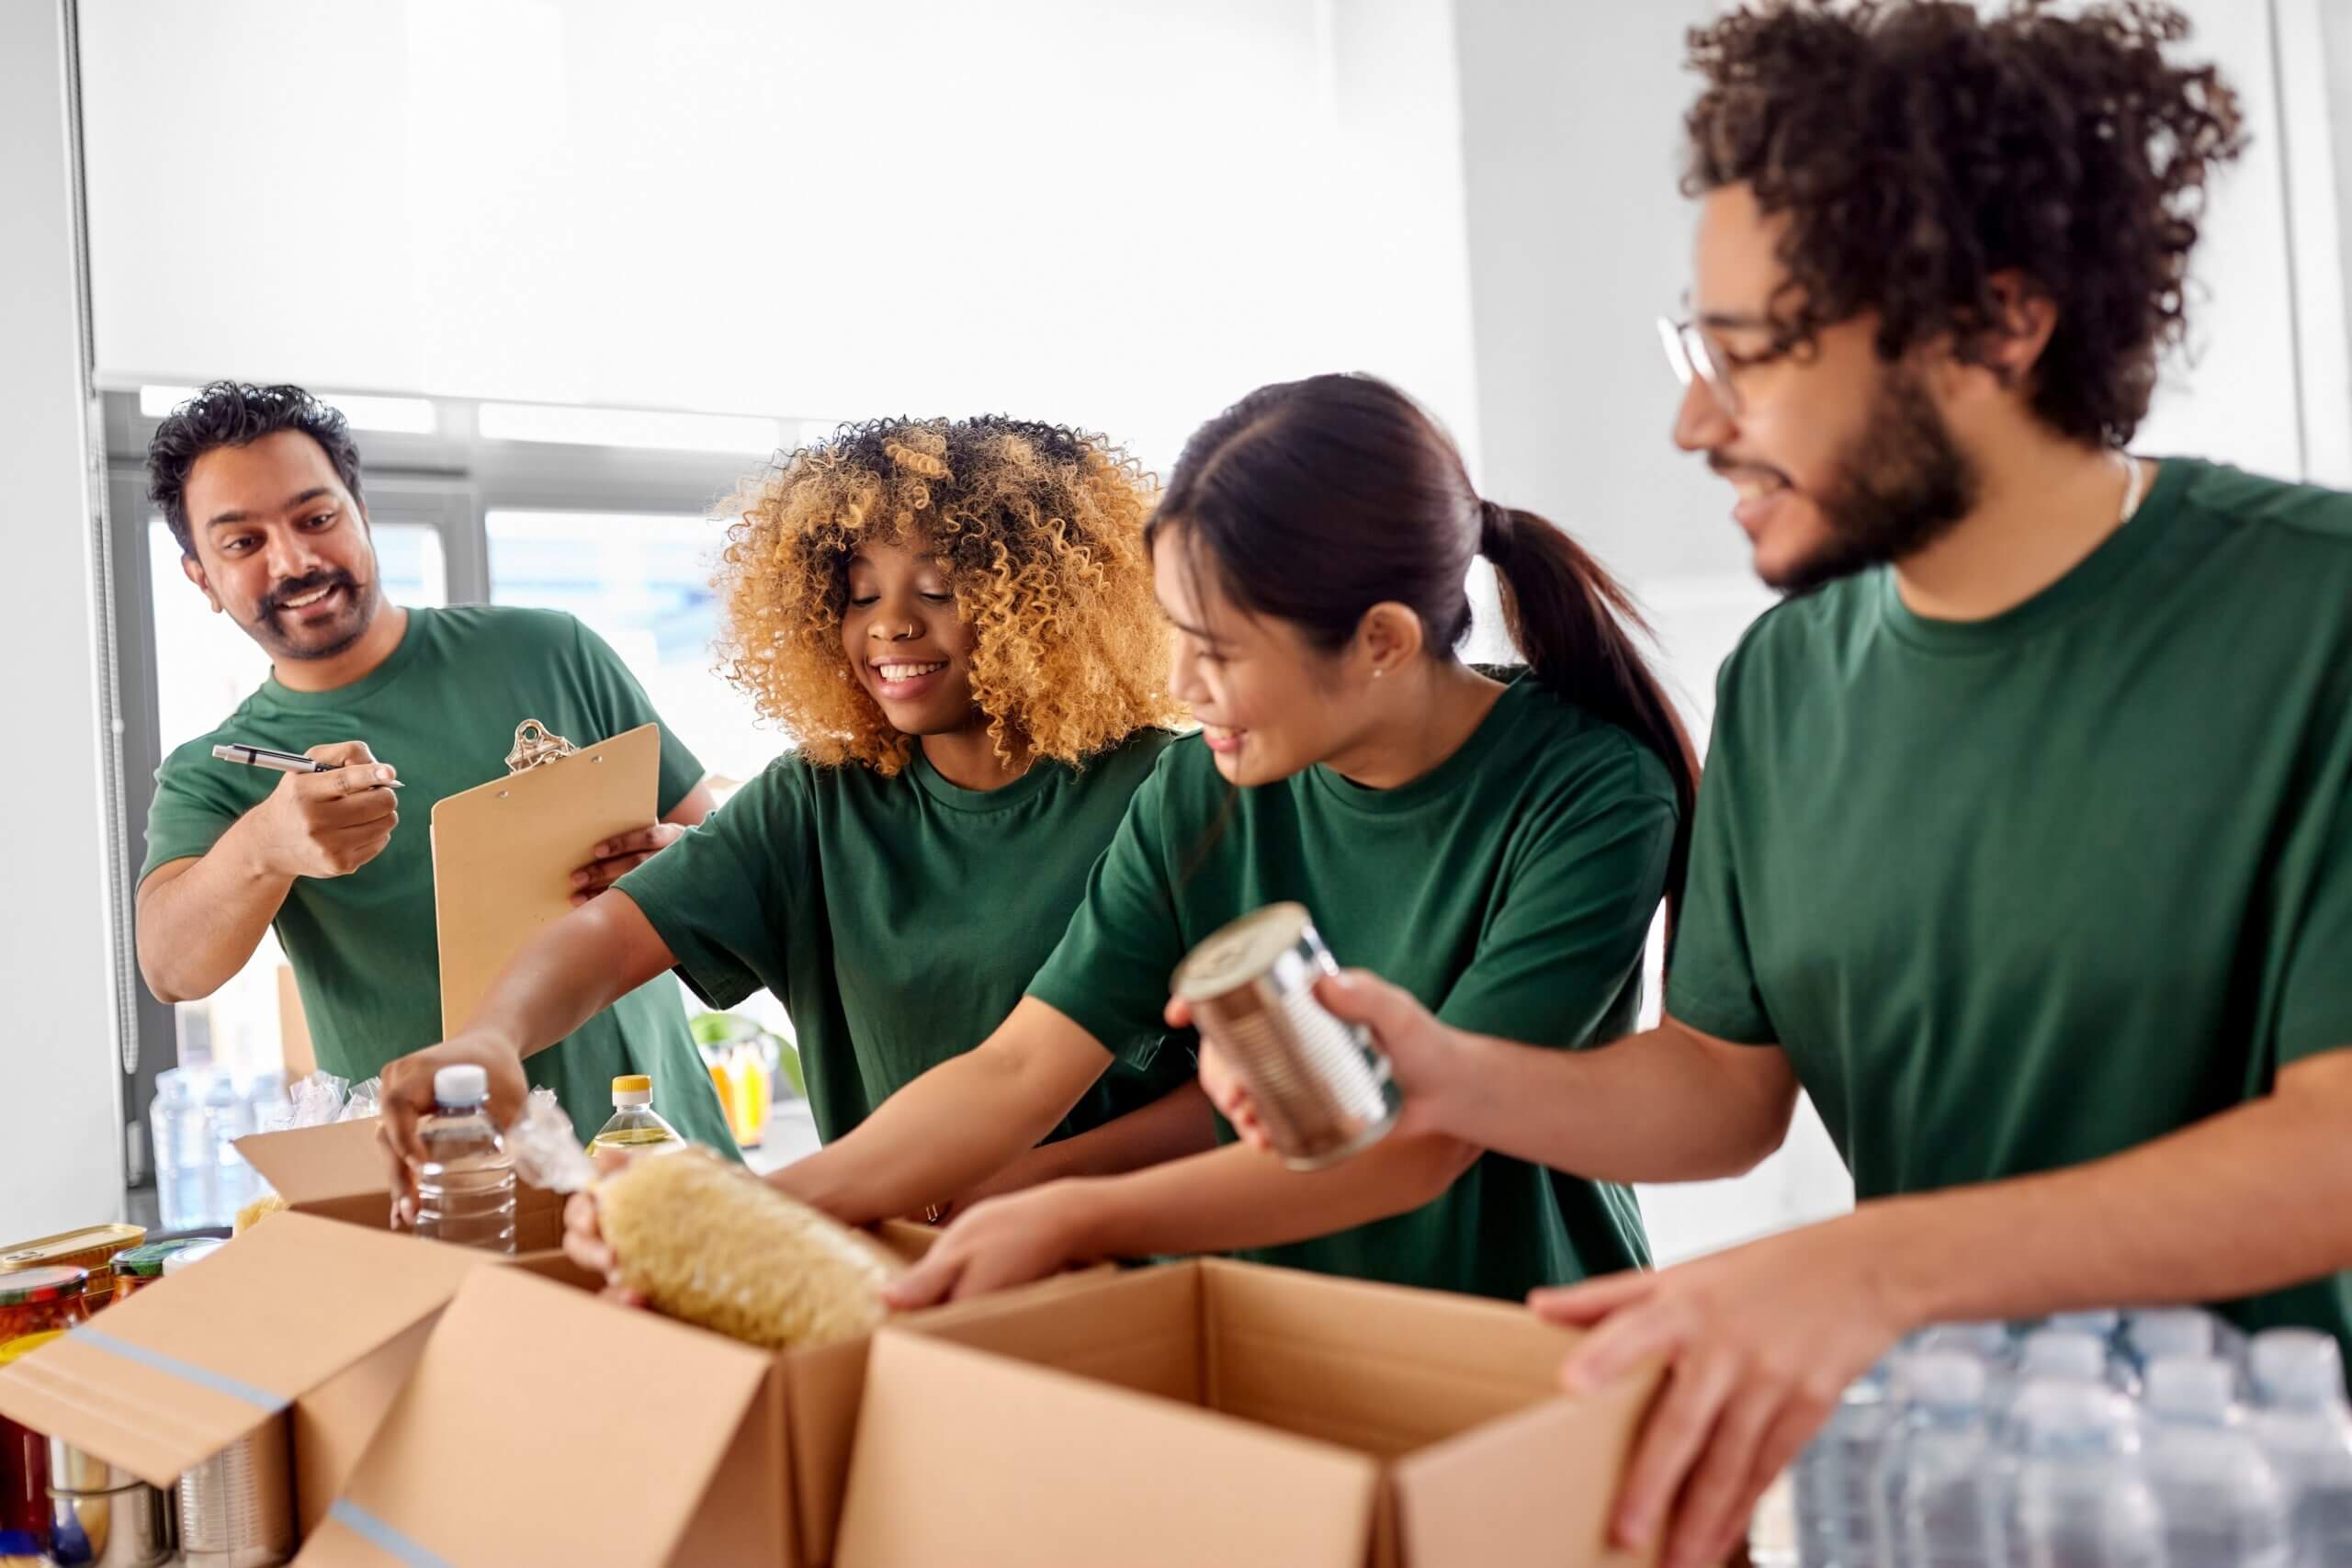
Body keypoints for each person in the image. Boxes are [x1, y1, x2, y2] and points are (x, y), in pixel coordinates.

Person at [1207, 6, 2352, 1566]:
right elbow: (1724, 1087)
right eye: (1698, 349)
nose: (1694, 420)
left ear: (1999, 327)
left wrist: (1875, 1267)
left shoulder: (2315, 621)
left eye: (1748, 355)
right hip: (1962, 1498)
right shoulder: (1787, 681)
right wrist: (1451, 1075)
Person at [565, 372, 1698, 1309]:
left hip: (1516, 1327)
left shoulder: (1590, 792)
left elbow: (1422, 1139)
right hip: (1265, 1326)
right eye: (1176, 636)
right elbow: (1016, 1067)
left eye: (1218, 646)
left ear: (1383, 642)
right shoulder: (1200, 786)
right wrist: (751, 1207)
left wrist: (1075, 1206)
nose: (1180, 684)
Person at [378, 416, 1208, 1197]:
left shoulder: (1169, 792)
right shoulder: (818, 795)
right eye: (859, 593)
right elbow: (609, 934)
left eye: (939, 590)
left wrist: (1009, 1184)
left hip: (1145, 1275)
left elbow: (1237, 1098)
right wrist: (489, 1039)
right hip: (898, 1257)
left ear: (1045, 604)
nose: (891, 626)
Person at [136, 381, 732, 1150]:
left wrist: (676, 866)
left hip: (659, 1146)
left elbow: (726, 866)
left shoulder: (552, 652)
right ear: (202, 578)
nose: (295, 559)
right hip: (448, 1191)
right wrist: (266, 847)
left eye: (317, 518)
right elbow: (171, 968)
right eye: (242, 543)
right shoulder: (214, 773)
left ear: (361, 512)